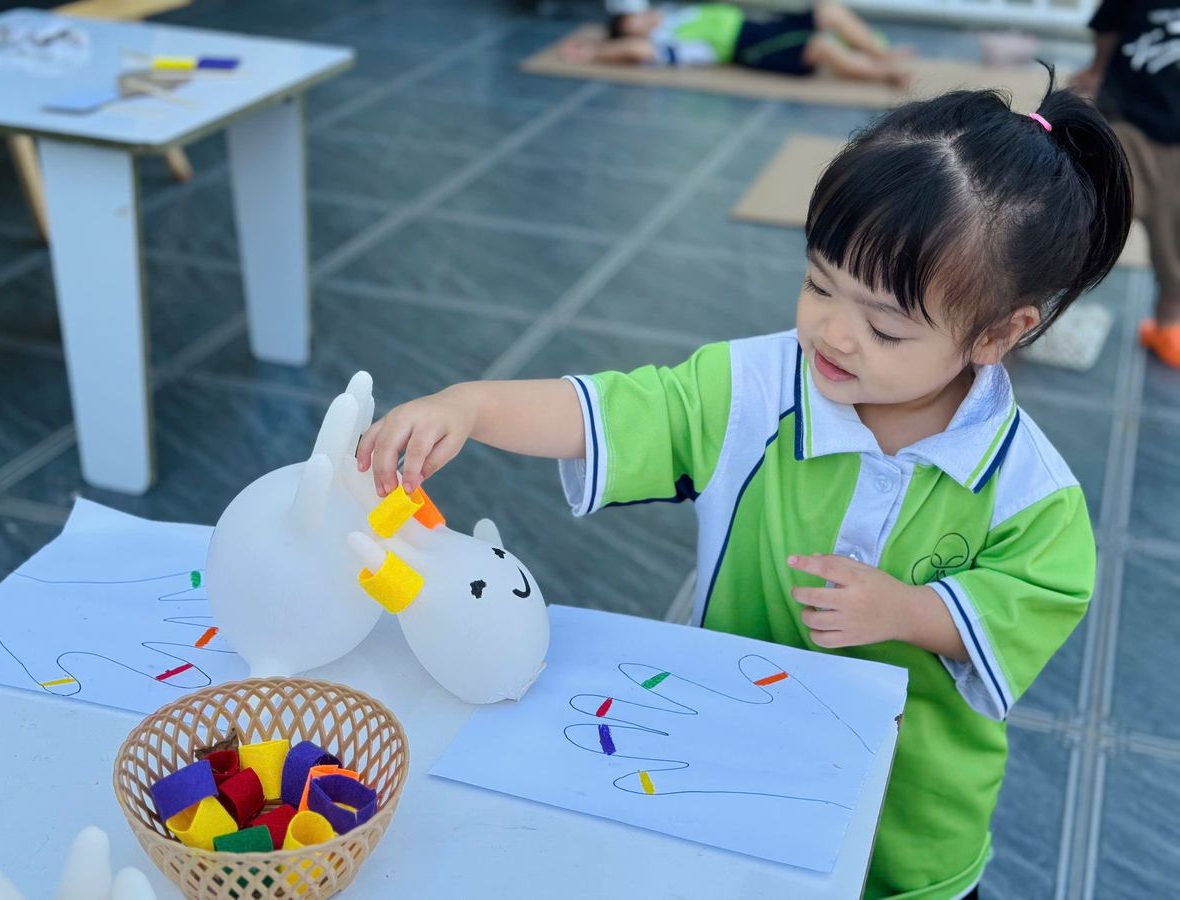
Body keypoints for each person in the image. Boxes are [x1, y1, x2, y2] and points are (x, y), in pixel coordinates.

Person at [355, 74, 1131, 899]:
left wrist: (908, 611)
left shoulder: (1031, 491)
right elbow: (613, 411)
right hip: (727, 768)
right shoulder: (755, 387)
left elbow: (1036, 597)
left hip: (909, 824)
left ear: (998, 334)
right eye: (819, 284)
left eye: (884, 326)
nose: (833, 332)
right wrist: (472, 406)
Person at [1071, 2, 1180, 368]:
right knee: (1086, 220)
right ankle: (1028, 297)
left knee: (1175, 239)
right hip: (1126, 122)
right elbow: (1108, 27)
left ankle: (1169, 322)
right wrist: (1096, 71)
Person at [560, 2, 912, 88]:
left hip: (761, 25)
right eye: (635, 25)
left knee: (829, 10)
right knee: (821, 47)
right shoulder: (664, 44)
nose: (644, 19)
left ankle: (881, 54)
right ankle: (885, 72)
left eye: (638, 16)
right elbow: (635, 52)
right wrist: (595, 53)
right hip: (752, 46)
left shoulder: (671, 16)